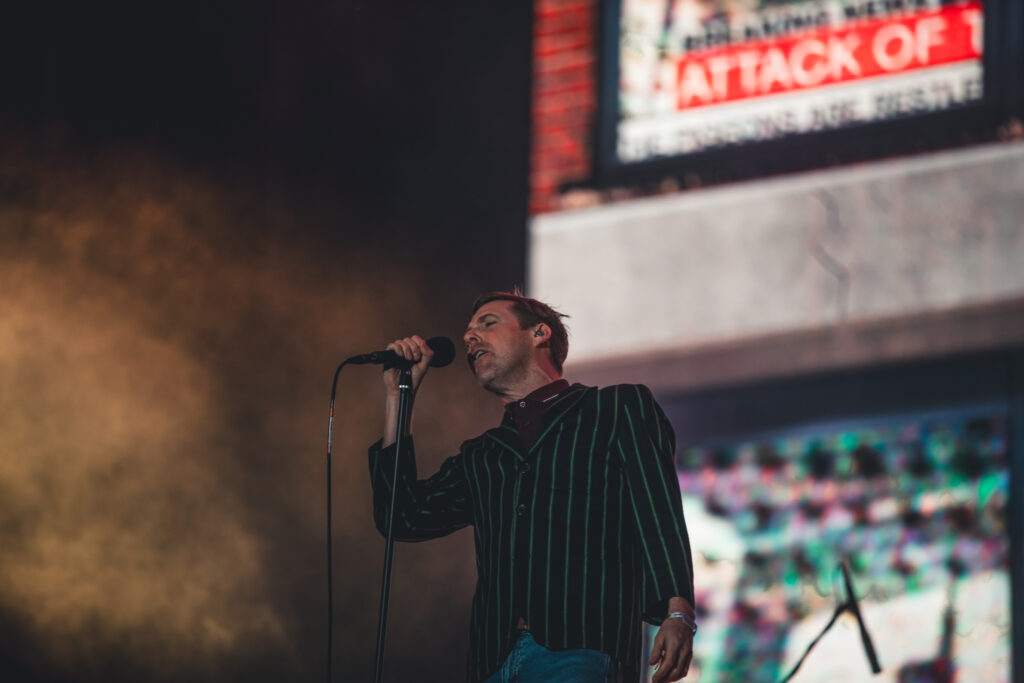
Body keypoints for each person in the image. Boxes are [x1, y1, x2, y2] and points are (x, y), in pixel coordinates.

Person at [368, 292, 695, 683]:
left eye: (487, 324)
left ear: (539, 333)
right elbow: (401, 517)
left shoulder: (617, 408)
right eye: (467, 332)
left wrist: (679, 612)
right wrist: (398, 398)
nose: (469, 338)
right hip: (493, 660)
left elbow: (658, 510)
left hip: (582, 646)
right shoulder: (483, 455)